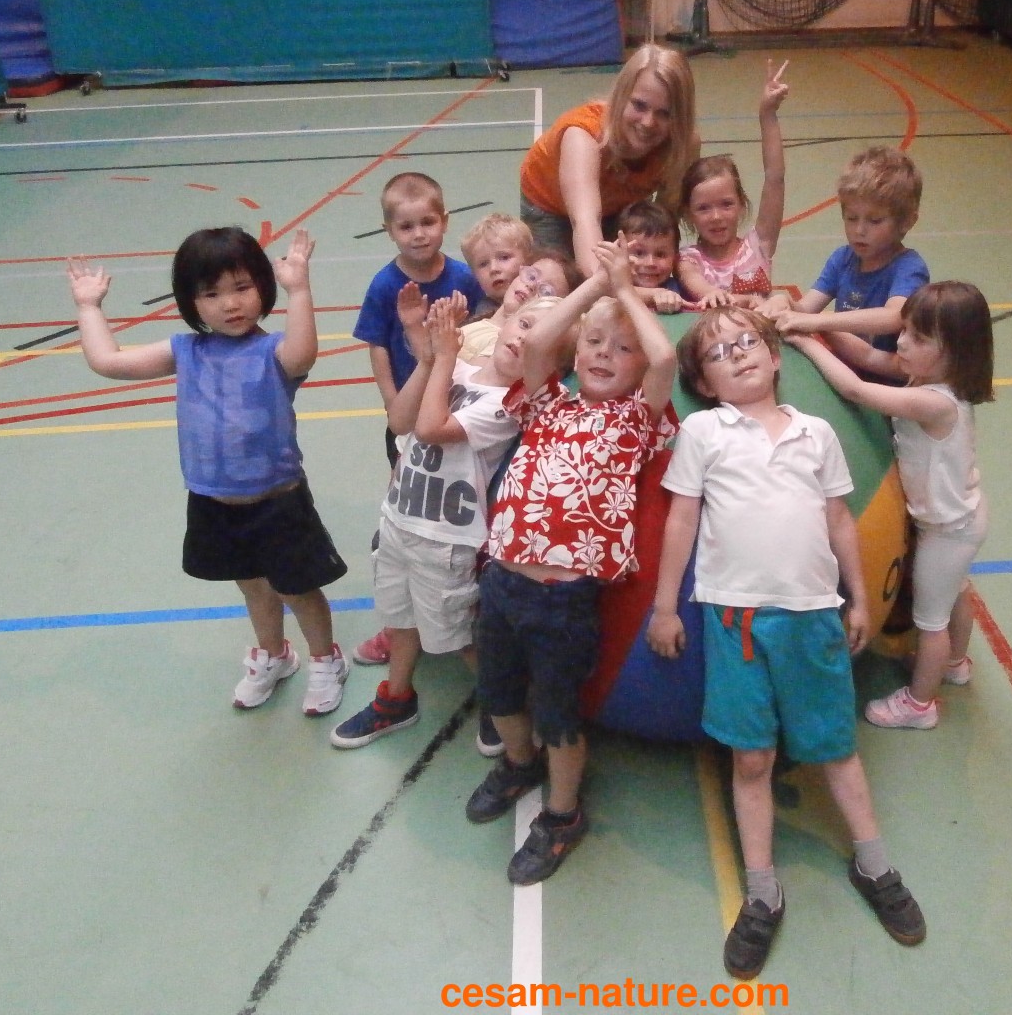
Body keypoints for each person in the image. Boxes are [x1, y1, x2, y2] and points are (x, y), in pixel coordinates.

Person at [648, 307, 926, 979]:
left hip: (812, 616)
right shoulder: (704, 431)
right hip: (735, 620)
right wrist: (664, 606)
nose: (739, 353)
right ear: (704, 383)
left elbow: (839, 519)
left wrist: (860, 597)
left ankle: (875, 864)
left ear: (775, 357)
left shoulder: (816, 432)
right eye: (719, 352)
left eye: (748, 342)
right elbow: (681, 519)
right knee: (752, 757)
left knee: (834, 746)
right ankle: (763, 892)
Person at [66, 227, 350, 716]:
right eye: (211, 294)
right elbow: (108, 361)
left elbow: (304, 353)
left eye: (242, 287)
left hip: (278, 500)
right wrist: (89, 307)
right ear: (191, 302)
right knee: (253, 585)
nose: (230, 304)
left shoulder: (274, 352)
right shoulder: (185, 351)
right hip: (214, 501)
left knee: (297, 588)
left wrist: (300, 290)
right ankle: (274, 655)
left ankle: (326, 660)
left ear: (263, 287)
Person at [464, 237, 678, 886]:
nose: (605, 355)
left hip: (562, 600)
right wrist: (594, 288)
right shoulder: (548, 403)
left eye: (621, 349)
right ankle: (518, 763)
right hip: (502, 582)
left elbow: (666, 356)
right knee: (499, 692)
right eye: (594, 344)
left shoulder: (637, 421)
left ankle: (562, 814)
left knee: (558, 713)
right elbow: (537, 343)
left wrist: (626, 292)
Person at [331, 292, 565, 757]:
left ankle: (503, 705)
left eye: (543, 341)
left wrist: (443, 357)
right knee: (400, 622)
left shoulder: (507, 405)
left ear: (552, 366)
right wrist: (426, 345)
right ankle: (397, 699)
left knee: (456, 637)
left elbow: (431, 428)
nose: (525, 340)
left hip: (445, 539)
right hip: (399, 520)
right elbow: (401, 420)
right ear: (504, 323)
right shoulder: (457, 370)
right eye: (524, 325)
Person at [787, 280, 994, 730]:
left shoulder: (934, 401)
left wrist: (807, 341)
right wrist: (818, 328)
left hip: (947, 531)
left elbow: (857, 390)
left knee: (930, 621)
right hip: (961, 518)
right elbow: (865, 355)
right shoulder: (928, 378)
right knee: (957, 591)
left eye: (918, 338)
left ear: (954, 352)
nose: (901, 342)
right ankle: (955, 664)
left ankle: (920, 705)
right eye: (904, 330)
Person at [518, 43, 699, 281]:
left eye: (665, 113)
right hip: (550, 204)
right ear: (621, 97)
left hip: (617, 204)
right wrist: (604, 286)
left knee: (634, 271)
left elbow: (662, 221)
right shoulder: (583, 136)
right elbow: (585, 222)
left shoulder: (683, 145)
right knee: (560, 281)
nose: (648, 123)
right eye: (639, 105)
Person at [353, 172, 486, 469]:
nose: (419, 234)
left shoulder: (465, 277)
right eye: (406, 227)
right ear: (389, 230)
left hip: (455, 402)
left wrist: (461, 322)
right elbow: (377, 347)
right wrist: (392, 400)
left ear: (445, 221)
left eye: (428, 222)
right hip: (409, 405)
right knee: (407, 478)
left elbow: (483, 332)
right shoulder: (384, 285)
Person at [766, 146, 928, 382]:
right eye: (851, 218)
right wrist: (785, 302)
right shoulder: (843, 258)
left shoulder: (909, 268)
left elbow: (895, 316)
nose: (859, 230)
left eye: (875, 221)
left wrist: (820, 321)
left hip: (887, 385)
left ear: (906, 222)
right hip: (845, 371)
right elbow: (805, 311)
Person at [676, 60, 789, 307]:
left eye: (726, 204)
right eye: (703, 208)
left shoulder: (759, 246)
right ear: (688, 214)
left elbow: (775, 177)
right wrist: (744, 300)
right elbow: (703, 290)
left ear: (741, 204)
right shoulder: (688, 261)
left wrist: (767, 114)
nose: (716, 217)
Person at [458, 252, 579, 364]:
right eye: (531, 276)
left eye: (546, 291)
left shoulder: (507, 345)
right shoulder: (481, 320)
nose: (531, 286)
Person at [615, 200, 688, 314]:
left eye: (660, 254)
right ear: (619, 253)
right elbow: (613, 292)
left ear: (675, 258)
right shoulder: (610, 289)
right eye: (639, 253)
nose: (650, 263)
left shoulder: (683, 288)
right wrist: (655, 294)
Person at [459, 212, 536, 319]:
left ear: (528, 259)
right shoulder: (483, 316)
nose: (493, 269)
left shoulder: (546, 300)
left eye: (504, 258)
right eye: (483, 264)